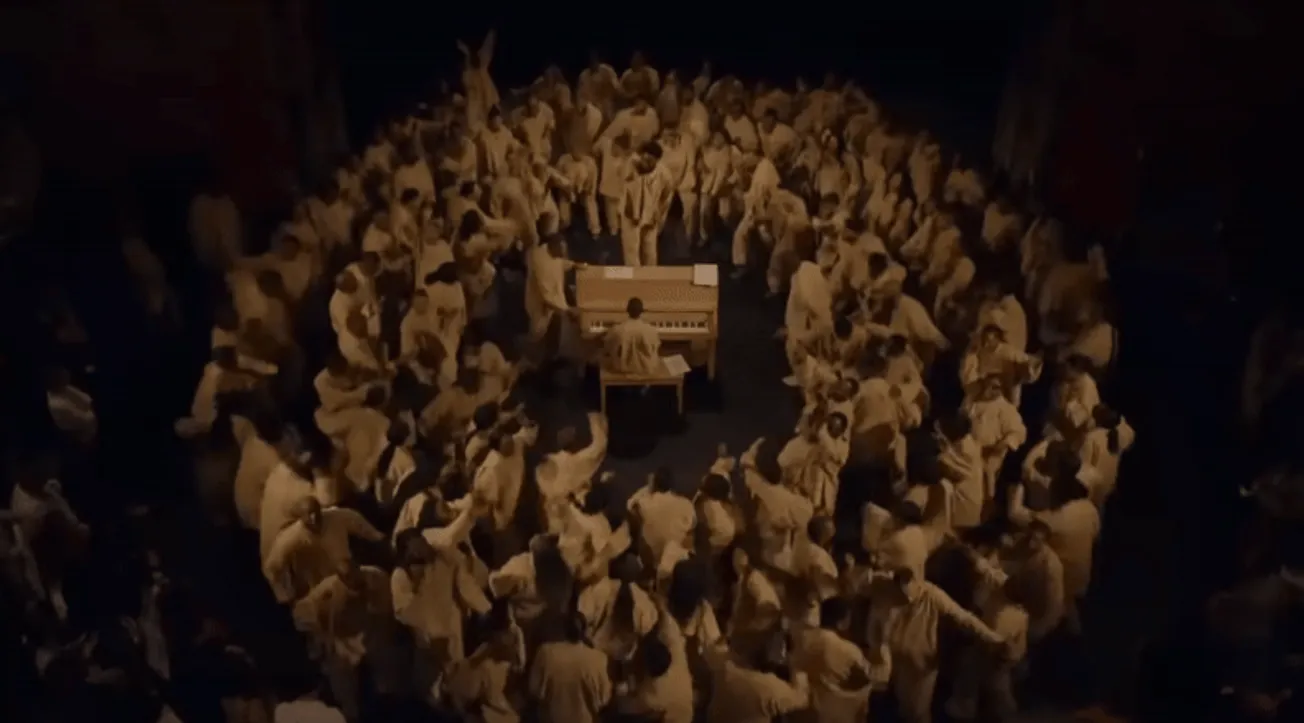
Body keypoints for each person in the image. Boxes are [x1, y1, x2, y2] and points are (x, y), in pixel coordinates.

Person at [526, 612, 612, 723]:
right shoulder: (598, 658)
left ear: (563, 629)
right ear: (585, 631)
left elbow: (534, 690)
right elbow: (604, 698)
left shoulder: (546, 653)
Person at [620, 141, 672, 267]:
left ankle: (650, 280)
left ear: (657, 160)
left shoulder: (664, 173)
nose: (646, 161)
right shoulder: (631, 165)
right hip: (631, 213)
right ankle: (634, 282)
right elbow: (625, 177)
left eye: (651, 159)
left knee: (650, 251)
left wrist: (659, 214)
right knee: (631, 250)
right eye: (644, 157)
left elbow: (667, 196)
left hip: (651, 215)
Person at [602, 297, 662, 376]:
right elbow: (655, 348)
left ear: (627, 310)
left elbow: (607, 347)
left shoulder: (617, 329)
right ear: (641, 311)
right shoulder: (651, 330)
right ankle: (646, 386)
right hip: (646, 368)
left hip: (621, 368)